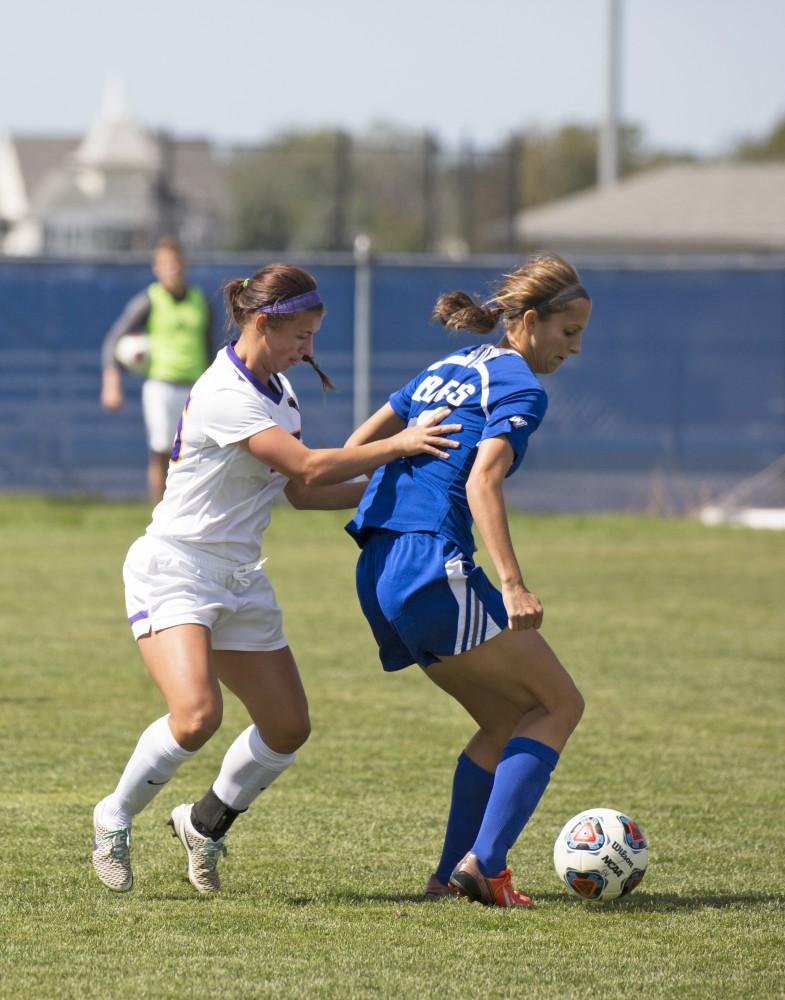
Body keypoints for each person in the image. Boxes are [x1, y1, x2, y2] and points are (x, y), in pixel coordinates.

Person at [91, 262, 461, 895]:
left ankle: (204, 825)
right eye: (301, 337)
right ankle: (114, 816)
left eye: (313, 337)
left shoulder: (279, 392)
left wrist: (396, 486)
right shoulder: (223, 392)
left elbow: (299, 492)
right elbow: (309, 467)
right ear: (263, 321)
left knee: (287, 726)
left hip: (238, 577)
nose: (308, 350)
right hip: (176, 567)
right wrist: (399, 447)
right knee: (196, 715)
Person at [345, 253, 591, 908]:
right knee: (559, 705)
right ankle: (486, 865)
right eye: (568, 333)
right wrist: (510, 584)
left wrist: (305, 487)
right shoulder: (520, 386)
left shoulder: (443, 369)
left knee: (507, 718)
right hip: (430, 564)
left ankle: (446, 875)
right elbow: (482, 479)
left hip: (376, 568)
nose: (574, 348)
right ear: (530, 322)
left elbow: (353, 454)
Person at [100, 236, 214, 503]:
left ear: (183, 265)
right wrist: (111, 381)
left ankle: (193, 509)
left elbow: (210, 347)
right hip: (161, 385)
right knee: (162, 450)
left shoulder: (199, 300)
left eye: (176, 263)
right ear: (157, 268)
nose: (172, 269)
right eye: (165, 264)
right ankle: (160, 512)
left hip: (195, 388)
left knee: (198, 452)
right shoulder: (149, 300)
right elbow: (113, 341)